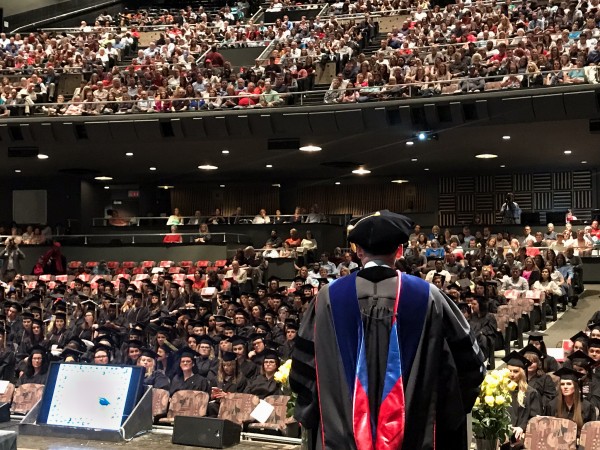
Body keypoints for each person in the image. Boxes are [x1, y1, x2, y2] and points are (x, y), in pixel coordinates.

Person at [291, 210, 485, 450]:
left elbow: (303, 374)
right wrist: (444, 410)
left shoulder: (327, 299)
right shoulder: (428, 297)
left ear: (358, 251)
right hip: (415, 435)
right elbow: (469, 366)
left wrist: (318, 411)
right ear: (399, 250)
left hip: (339, 437)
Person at [502, 351, 542, 450]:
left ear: (522, 373)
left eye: (515, 371)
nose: (511, 374)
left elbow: (535, 418)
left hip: (522, 437)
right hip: (502, 436)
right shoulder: (500, 391)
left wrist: (521, 428)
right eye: (509, 371)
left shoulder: (531, 393)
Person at [547, 367, 596, 436]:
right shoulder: (552, 405)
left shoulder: (587, 406)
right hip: (557, 443)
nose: (565, 387)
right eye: (562, 384)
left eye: (569, 384)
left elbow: (591, 431)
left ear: (575, 387)